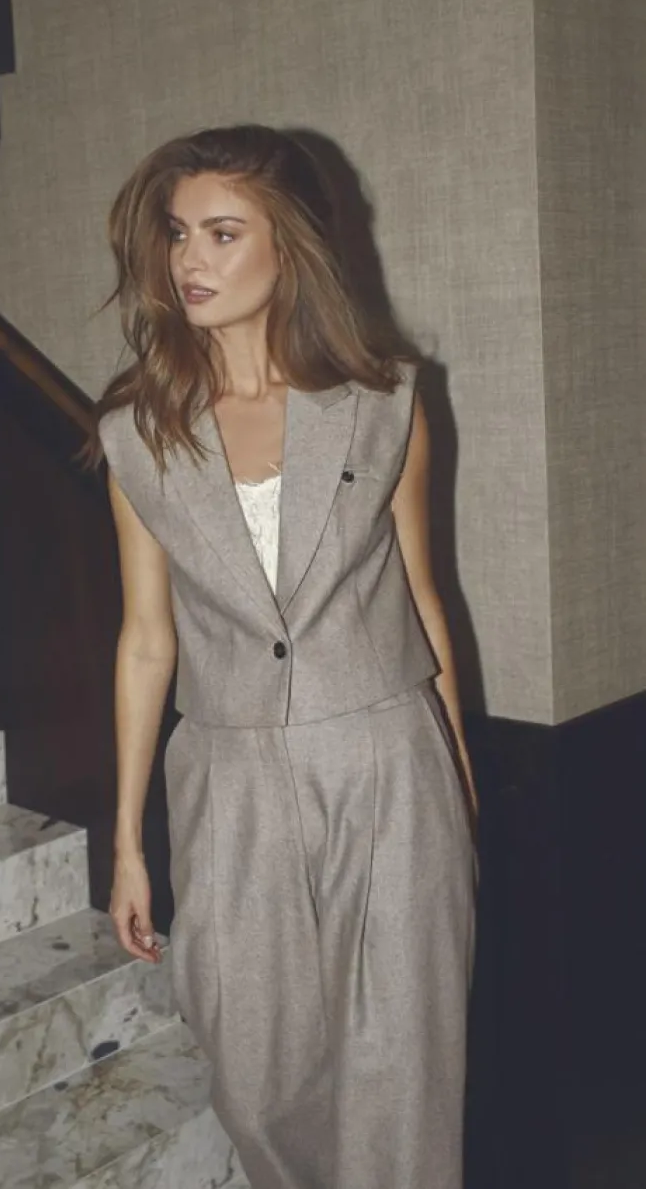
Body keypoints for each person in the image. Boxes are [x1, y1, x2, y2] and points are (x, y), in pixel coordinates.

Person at [93, 124, 478, 1189]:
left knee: (403, 1066)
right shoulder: (138, 429)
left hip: (386, 758)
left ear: (290, 245)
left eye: (223, 233)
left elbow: (424, 599)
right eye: (179, 233)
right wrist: (127, 841)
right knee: (252, 1067)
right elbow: (145, 639)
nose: (190, 259)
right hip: (227, 776)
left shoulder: (384, 401)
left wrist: (458, 783)